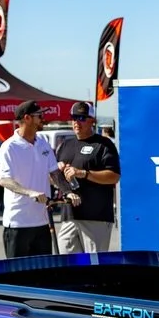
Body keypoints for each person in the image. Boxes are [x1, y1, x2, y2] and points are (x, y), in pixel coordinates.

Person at [0, 100, 69, 258]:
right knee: (17, 276)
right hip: (17, 223)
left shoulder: (43, 142)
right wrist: (29, 192)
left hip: (42, 222)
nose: (43, 118)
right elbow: (4, 179)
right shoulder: (9, 146)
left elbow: (55, 173)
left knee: (42, 275)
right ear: (27, 118)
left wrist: (68, 192)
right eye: (39, 115)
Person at [53, 101, 121, 253]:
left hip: (95, 217)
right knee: (68, 266)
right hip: (69, 216)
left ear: (92, 121)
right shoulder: (65, 145)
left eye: (82, 118)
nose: (77, 122)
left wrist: (83, 173)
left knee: (93, 269)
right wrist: (57, 172)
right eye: (74, 118)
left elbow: (113, 176)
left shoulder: (103, 144)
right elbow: (54, 179)